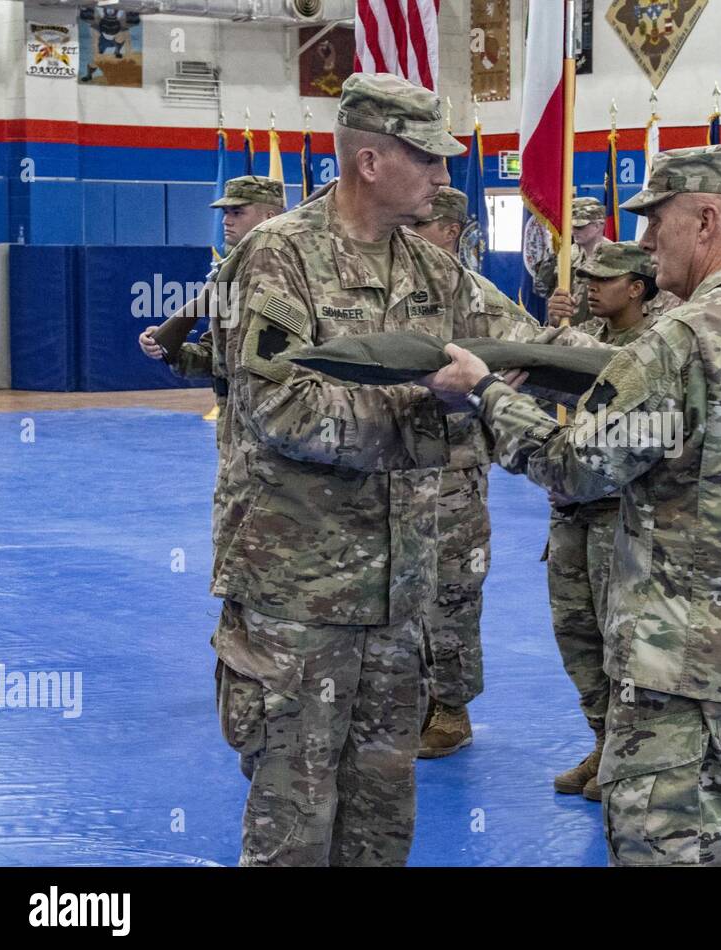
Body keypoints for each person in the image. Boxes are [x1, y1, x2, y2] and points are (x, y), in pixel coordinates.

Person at [424, 143, 721, 866]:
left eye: (655, 221)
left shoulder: (676, 344)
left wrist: (488, 395)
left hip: (684, 677)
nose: (642, 242)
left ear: (705, 220)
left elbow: (576, 468)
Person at [207, 72, 494, 867]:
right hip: (295, 600)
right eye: (429, 158)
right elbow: (284, 412)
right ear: (371, 161)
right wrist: (438, 421)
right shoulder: (277, 259)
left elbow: (523, 344)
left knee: (378, 825)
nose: (445, 175)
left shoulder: (434, 272)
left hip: (397, 601)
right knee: (294, 824)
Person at [410, 186, 541, 758]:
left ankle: (451, 706)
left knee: (452, 594)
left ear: (447, 232)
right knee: (400, 591)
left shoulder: (472, 294)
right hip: (391, 470)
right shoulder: (389, 289)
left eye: (421, 228)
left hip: (453, 473)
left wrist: (488, 389)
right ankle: (407, 698)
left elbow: (529, 349)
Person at [545, 241, 662, 802]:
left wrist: (571, 345)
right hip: (572, 508)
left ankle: (627, 751)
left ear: (637, 287)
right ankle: (602, 736)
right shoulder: (592, 336)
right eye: (587, 276)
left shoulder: (656, 346)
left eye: (604, 278)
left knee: (621, 638)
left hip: (619, 512)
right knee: (576, 631)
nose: (589, 285)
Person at [137, 175, 287, 415]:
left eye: (237, 213)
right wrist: (170, 349)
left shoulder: (292, 275)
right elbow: (214, 356)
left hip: (276, 416)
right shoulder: (227, 276)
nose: (226, 221)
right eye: (225, 212)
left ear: (270, 217)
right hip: (232, 421)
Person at [538, 196, 607, 327]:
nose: (573, 231)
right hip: (568, 334)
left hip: (598, 339)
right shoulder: (565, 257)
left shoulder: (614, 259)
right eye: (571, 225)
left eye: (579, 226)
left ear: (598, 225)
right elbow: (543, 289)